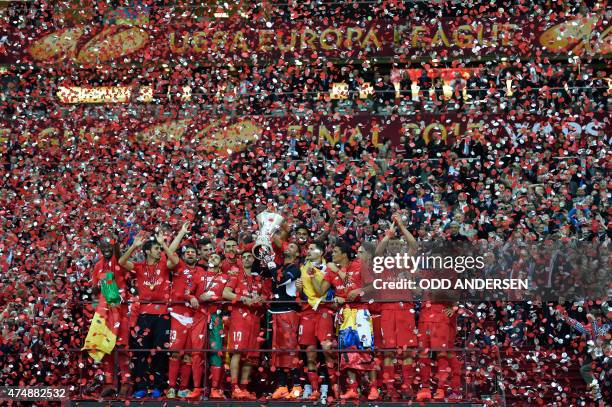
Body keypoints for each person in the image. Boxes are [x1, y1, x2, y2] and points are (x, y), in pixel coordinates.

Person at [312, 241, 379, 401]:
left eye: (335, 251)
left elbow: (374, 286)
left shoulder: (359, 265)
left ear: (344, 254)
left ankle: (374, 388)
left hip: (361, 312)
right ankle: (352, 389)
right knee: (348, 354)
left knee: (366, 350)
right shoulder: (331, 270)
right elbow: (320, 290)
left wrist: (359, 290)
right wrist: (312, 275)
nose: (332, 254)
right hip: (344, 315)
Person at [118, 231, 174, 399]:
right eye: (157, 248)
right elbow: (121, 262)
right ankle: (141, 386)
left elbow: (174, 259)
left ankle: (158, 386)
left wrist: (165, 243)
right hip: (143, 315)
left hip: (162, 315)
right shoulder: (140, 267)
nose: (160, 251)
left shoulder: (164, 265)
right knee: (140, 352)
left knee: (161, 352)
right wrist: (134, 246)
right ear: (148, 251)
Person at [374, 214, 419, 400]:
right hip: (387, 310)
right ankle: (390, 388)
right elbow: (378, 252)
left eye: (397, 244)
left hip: (405, 309)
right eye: (391, 244)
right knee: (388, 351)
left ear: (401, 247)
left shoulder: (407, 260)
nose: (393, 246)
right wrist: (388, 234)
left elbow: (414, 245)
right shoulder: (382, 262)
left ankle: (407, 386)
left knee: (407, 349)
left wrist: (401, 225)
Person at [223, 251, 270, 400]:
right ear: (240, 261)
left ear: (253, 259)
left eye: (249, 256)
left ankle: (244, 388)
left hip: (255, 320)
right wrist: (243, 299)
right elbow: (225, 293)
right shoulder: (235, 276)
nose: (246, 259)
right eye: (243, 257)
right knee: (237, 352)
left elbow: (264, 298)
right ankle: (234, 387)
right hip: (239, 319)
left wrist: (261, 300)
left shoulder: (258, 279)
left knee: (251, 356)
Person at [166, 222, 203, 399]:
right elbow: (170, 252)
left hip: (196, 317)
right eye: (187, 252)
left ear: (197, 256)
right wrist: (181, 233)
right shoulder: (179, 266)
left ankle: (183, 387)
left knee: (189, 355)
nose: (190, 254)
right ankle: (171, 387)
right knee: (175, 352)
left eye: (193, 253)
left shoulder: (202, 272)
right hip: (179, 314)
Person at [90, 236, 130, 398]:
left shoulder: (120, 260)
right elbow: (94, 289)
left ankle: (126, 383)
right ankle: (109, 383)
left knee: (121, 347)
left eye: (109, 246)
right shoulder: (98, 266)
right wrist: (99, 287)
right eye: (103, 246)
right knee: (105, 347)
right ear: (99, 247)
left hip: (121, 310)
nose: (106, 248)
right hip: (104, 312)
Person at [295, 241, 335, 403]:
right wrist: (298, 290)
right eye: (308, 249)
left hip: (324, 310)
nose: (308, 251)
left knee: (327, 349)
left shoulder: (330, 268)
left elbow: (331, 290)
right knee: (310, 352)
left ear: (322, 252)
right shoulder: (302, 268)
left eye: (312, 249)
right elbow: (299, 294)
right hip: (307, 311)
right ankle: (315, 390)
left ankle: (331, 387)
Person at [190, 251, 228, 399]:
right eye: (210, 256)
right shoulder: (198, 275)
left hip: (216, 317)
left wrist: (213, 297)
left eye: (216, 257)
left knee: (216, 351)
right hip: (199, 316)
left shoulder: (225, 278)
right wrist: (196, 297)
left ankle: (214, 388)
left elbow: (228, 295)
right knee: (197, 352)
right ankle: (197, 388)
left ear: (221, 262)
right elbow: (188, 292)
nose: (212, 258)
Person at [269, 243, 303, 399]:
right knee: (277, 352)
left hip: (289, 313)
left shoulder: (295, 268)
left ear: (297, 254)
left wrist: (270, 264)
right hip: (275, 312)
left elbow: (279, 281)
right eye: (287, 246)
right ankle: (282, 386)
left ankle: (297, 386)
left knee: (290, 350)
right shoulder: (280, 267)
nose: (288, 248)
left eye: (292, 247)